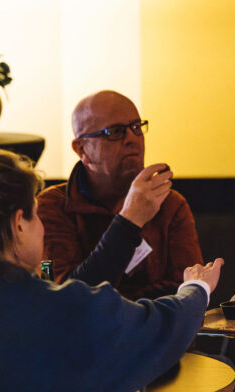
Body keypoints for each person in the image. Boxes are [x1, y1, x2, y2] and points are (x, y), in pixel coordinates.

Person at [0, 146, 224, 391]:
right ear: (18, 223)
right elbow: (161, 327)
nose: (42, 228)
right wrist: (197, 288)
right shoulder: (75, 309)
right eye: (35, 215)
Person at [37, 90, 203, 300]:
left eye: (136, 128)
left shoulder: (169, 204)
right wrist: (129, 221)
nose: (132, 139)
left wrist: (115, 302)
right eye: (115, 131)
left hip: (152, 333)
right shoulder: (52, 207)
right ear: (81, 149)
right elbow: (65, 299)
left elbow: (190, 294)